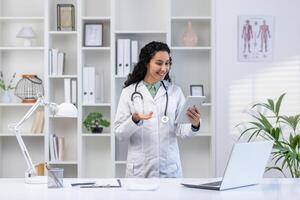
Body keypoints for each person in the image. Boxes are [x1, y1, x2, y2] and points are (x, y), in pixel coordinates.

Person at [114, 41, 201, 178]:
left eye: (167, 63)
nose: (164, 68)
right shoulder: (129, 92)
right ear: (147, 63)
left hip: (169, 169)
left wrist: (194, 125)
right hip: (140, 171)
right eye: (159, 63)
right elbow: (120, 134)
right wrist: (134, 120)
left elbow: (182, 131)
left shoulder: (175, 92)